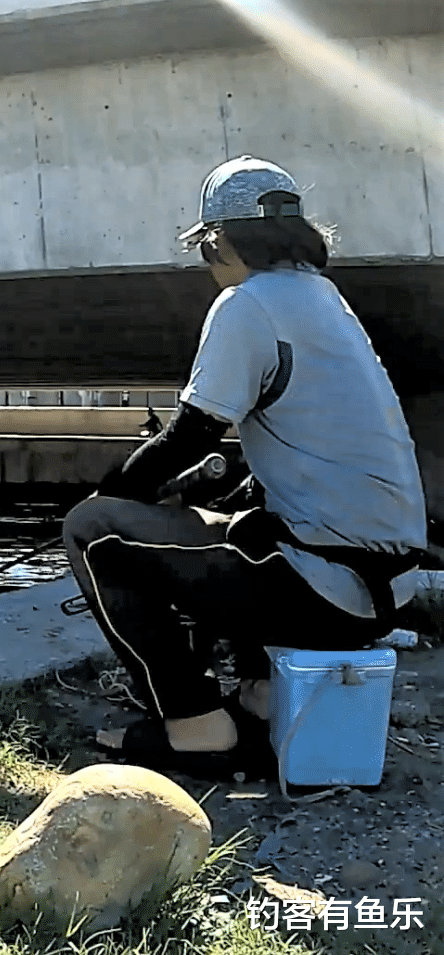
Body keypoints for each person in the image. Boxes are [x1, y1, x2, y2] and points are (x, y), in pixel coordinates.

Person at [61, 156, 429, 779]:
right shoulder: (323, 299)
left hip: (326, 591)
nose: (207, 260)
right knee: (240, 523)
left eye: (206, 245)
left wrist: (114, 498)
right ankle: (260, 696)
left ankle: (195, 725)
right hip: (385, 591)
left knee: (94, 531)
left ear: (224, 239)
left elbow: (188, 437)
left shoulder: (247, 304)